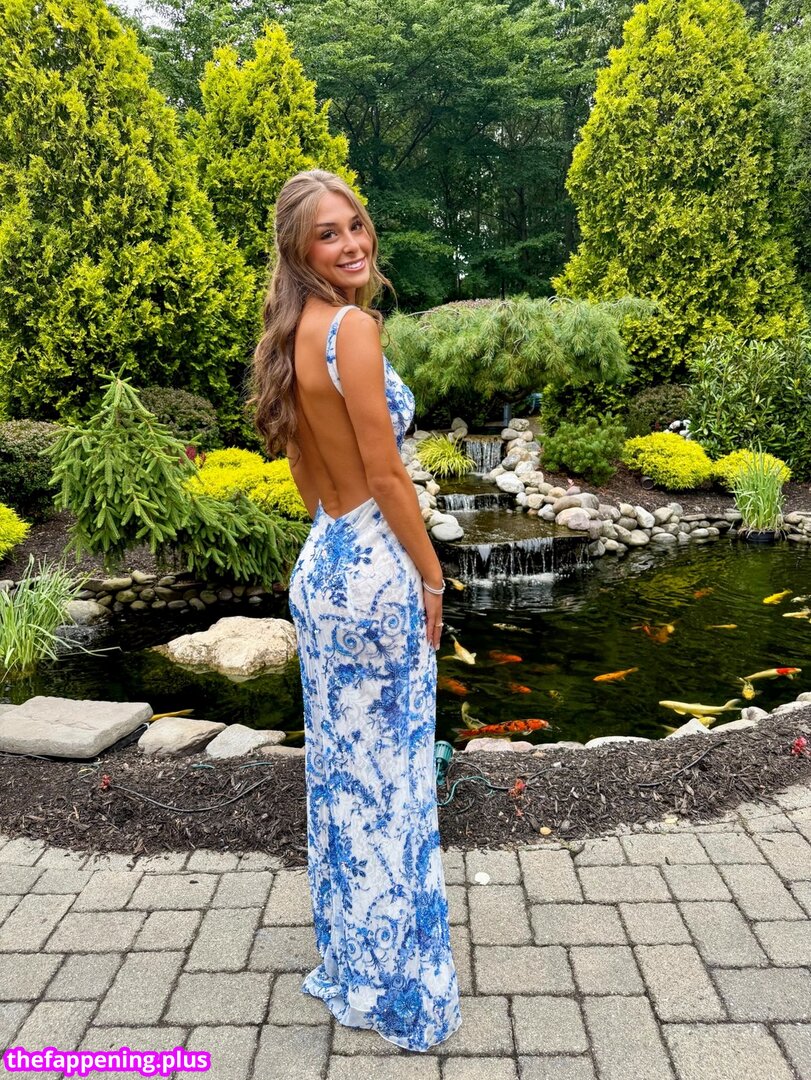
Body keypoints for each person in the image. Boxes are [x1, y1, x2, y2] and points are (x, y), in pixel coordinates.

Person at [249, 169, 462, 1052]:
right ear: (300, 252)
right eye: (328, 234)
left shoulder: (291, 333)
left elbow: (307, 470)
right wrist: (431, 578)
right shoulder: (353, 329)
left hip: (325, 562)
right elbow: (385, 473)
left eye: (356, 226)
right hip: (376, 569)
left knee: (345, 781)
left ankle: (354, 964)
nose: (351, 244)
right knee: (392, 786)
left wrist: (339, 547)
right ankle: (394, 985)